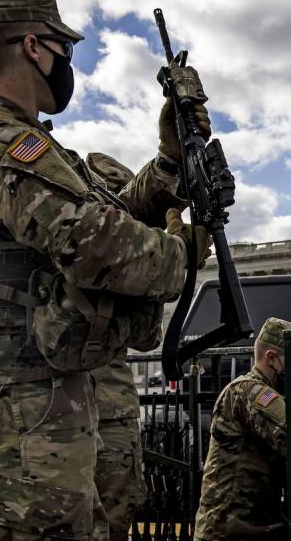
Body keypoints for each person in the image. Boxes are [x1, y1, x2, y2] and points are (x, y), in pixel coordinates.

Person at [0, 0, 211, 540]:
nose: (67, 64)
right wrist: (182, 253)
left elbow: (106, 211)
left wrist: (169, 162)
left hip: (34, 387)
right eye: (64, 49)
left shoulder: (18, 143)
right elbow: (91, 242)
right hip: (18, 393)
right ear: (34, 46)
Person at [84, 152, 187, 541]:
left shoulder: (125, 263)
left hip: (112, 404)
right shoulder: (77, 240)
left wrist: (159, 266)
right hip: (60, 404)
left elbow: (146, 338)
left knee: (116, 518)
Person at [193, 317, 291, 541]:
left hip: (249, 525)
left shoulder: (260, 392)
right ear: (272, 359)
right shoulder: (251, 393)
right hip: (229, 530)